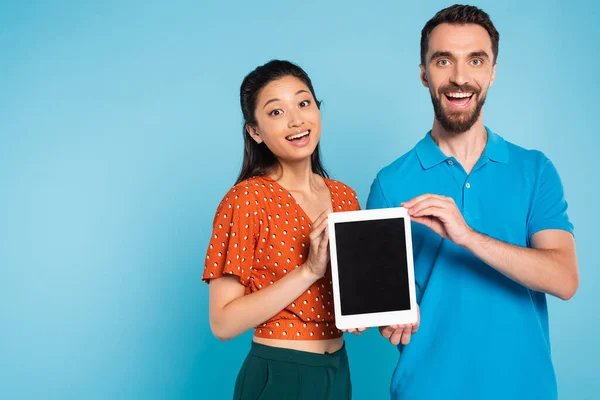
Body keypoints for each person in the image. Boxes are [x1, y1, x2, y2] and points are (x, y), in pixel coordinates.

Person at [367, 5, 579, 400]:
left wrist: (466, 236)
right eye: (443, 60)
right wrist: (393, 315)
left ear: (493, 71)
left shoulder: (533, 170)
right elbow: (386, 305)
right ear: (423, 73)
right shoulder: (390, 183)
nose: (460, 78)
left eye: (475, 60)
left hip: (525, 390)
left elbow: (564, 279)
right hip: (426, 390)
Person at [203, 60, 360, 400]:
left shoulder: (345, 196)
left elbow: (353, 292)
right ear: (255, 131)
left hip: (338, 370)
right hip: (281, 373)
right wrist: (308, 272)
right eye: (276, 112)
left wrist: (367, 311)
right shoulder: (247, 198)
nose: (296, 120)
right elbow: (222, 323)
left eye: (304, 103)